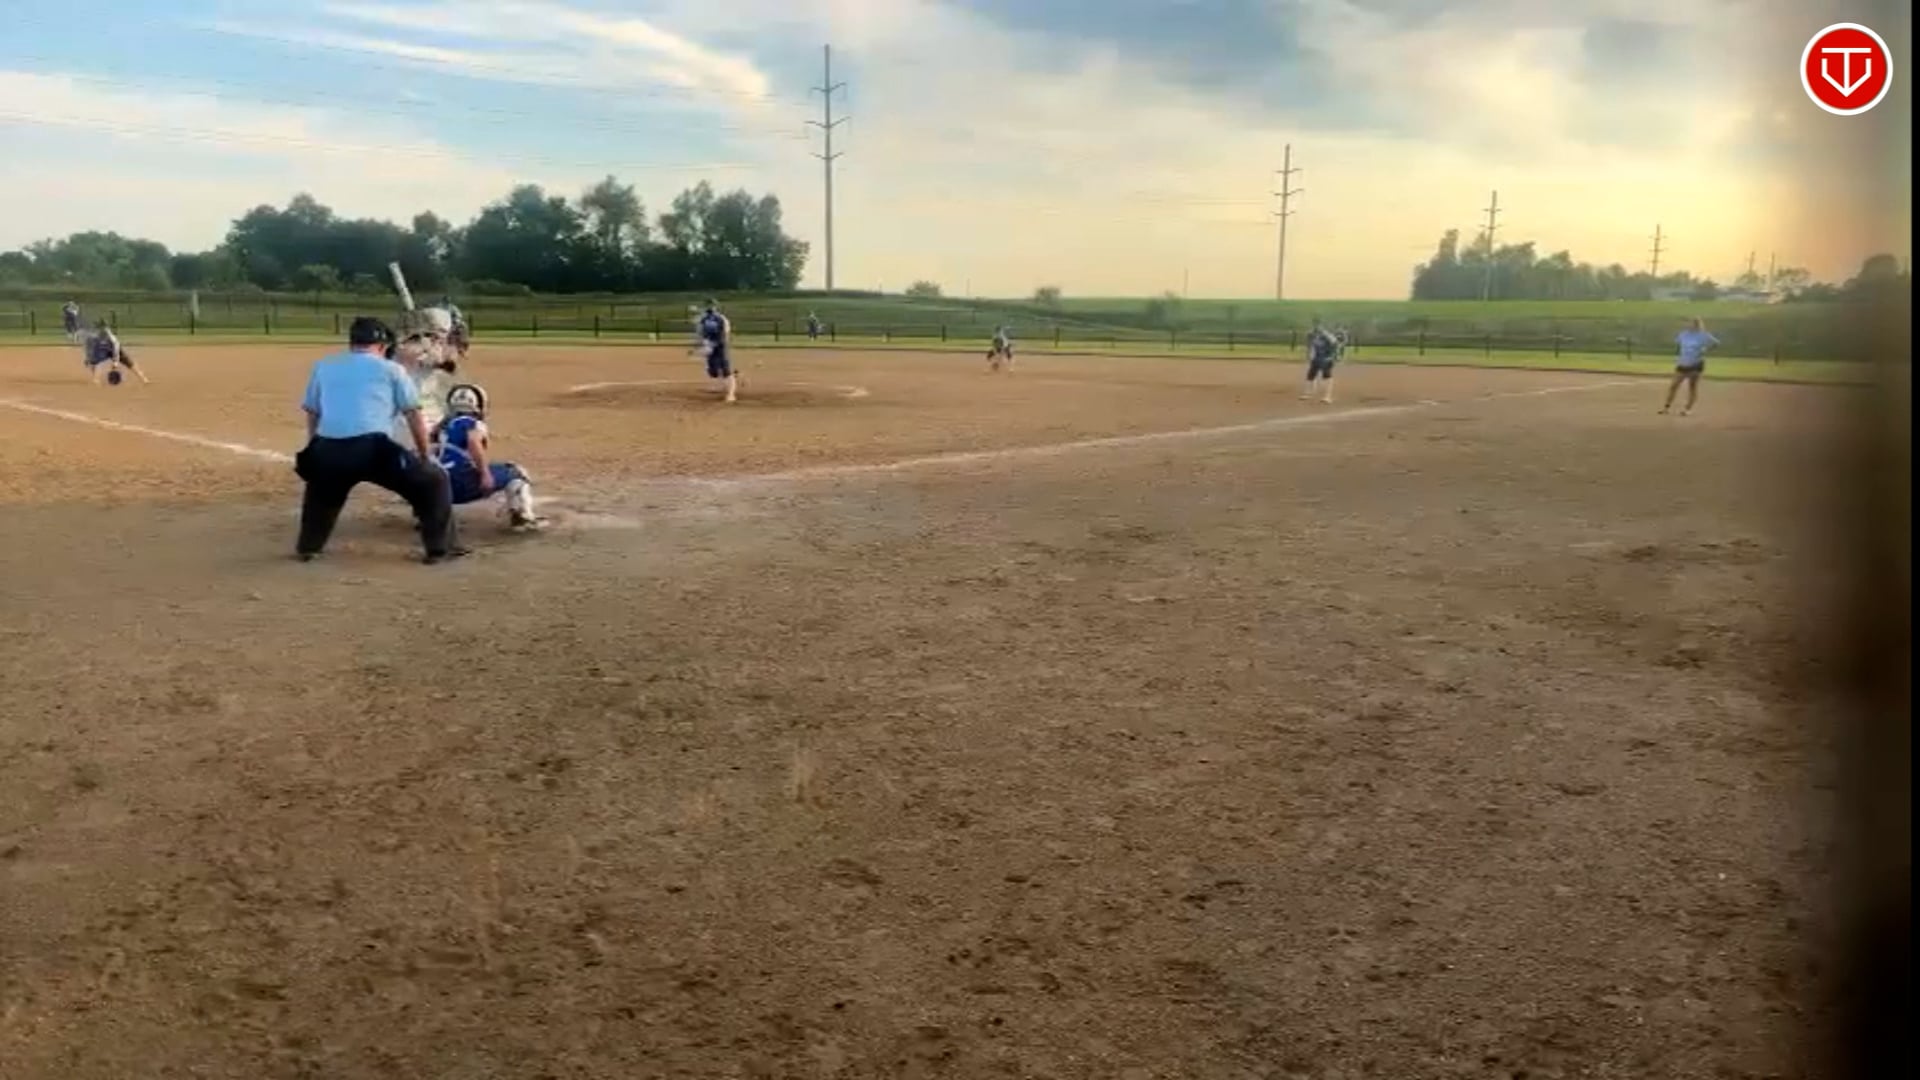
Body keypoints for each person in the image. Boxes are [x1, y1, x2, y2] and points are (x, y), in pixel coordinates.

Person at [294, 316, 466, 564]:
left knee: (321, 491)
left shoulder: (324, 366)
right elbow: (413, 414)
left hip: (328, 447)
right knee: (433, 481)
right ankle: (441, 550)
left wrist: (315, 447)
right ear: (383, 346)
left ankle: (309, 547)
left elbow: (313, 412)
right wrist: (424, 455)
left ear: (352, 342)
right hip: (372, 449)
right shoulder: (392, 369)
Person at [433, 383, 548, 531]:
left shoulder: (440, 429)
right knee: (517, 473)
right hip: (460, 488)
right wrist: (485, 474)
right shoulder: (473, 423)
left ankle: (428, 516)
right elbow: (473, 442)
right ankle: (522, 517)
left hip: (437, 491)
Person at [1661, 317, 1719, 417]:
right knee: (1674, 385)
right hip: (1683, 363)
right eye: (1688, 323)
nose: (1688, 325)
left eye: (1691, 323)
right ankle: (1666, 407)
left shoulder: (1703, 335)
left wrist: (1705, 350)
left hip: (1696, 364)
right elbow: (1679, 345)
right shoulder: (1683, 334)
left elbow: (1716, 343)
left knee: (1692, 387)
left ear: (1696, 325)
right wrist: (1679, 356)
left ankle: (1687, 409)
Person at [695, 299, 738, 403]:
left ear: (716, 307)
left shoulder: (721, 319)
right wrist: (703, 344)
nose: (710, 308)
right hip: (710, 347)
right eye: (708, 305)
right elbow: (701, 333)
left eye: (712, 306)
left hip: (720, 347)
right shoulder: (703, 319)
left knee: (726, 371)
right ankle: (719, 386)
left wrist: (715, 344)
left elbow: (724, 335)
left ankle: (731, 394)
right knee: (713, 370)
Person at [82, 319, 148, 386]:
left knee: (128, 361)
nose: (104, 329)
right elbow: (89, 348)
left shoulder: (111, 337)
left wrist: (115, 362)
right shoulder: (93, 337)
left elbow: (116, 349)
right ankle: (96, 380)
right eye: (100, 327)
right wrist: (88, 358)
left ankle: (143, 379)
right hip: (102, 350)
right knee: (94, 361)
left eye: (105, 327)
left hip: (113, 349)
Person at [1302, 319, 1340, 403]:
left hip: (1326, 358)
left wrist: (1333, 357)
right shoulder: (1312, 335)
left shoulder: (1327, 335)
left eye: (1318, 326)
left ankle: (1327, 396)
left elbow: (1335, 344)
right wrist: (1309, 355)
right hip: (1316, 358)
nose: (1316, 328)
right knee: (1310, 375)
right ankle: (1309, 393)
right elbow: (1310, 345)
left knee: (1326, 376)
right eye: (1315, 326)